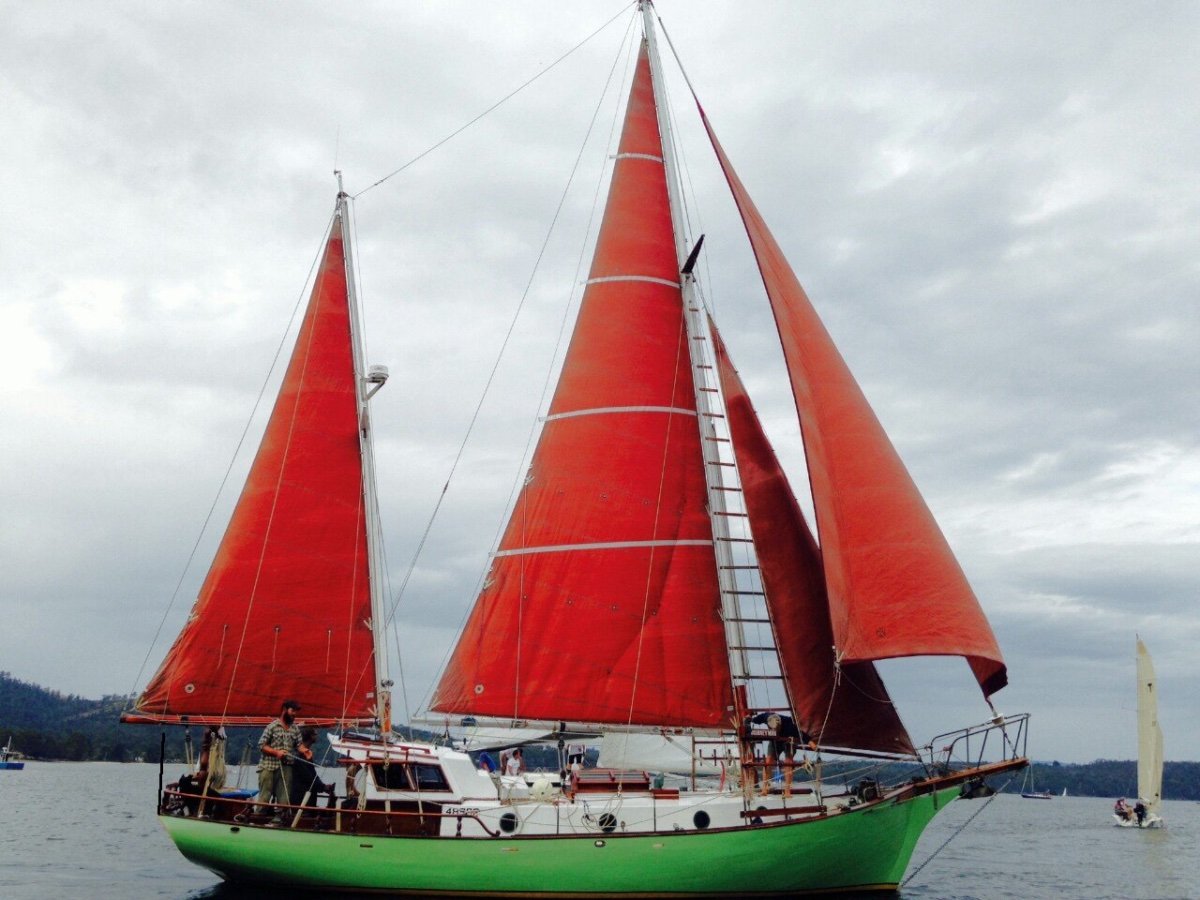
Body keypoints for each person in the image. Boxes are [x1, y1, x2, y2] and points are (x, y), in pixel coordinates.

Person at [255, 699, 302, 817]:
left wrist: (305, 751)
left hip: (286, 768)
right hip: (268, 766)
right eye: (293, 711)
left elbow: (299, 745)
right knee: (265, 796)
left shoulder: (295, 729)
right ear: (285, 710)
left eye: (296, 712)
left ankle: (280, 820)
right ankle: (258, 818)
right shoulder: (272, 726)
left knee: (284, 798)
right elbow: (261, 745)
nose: (294, 714)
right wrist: (276, 752)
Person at [293, 727, 336, 808]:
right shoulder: (299, 755)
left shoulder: (306, 754)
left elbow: (312, 774)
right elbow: (308, 776)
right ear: (310, 736)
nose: (317, 735)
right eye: (315, 734)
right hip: (301, 797)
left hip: (307, 795)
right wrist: (323, 787)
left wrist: (323, 786)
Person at [198, 725, 227, 790]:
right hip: (212, 748)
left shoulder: (218, 731)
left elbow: (221, 737)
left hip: (214, 749)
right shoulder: (210, 731)